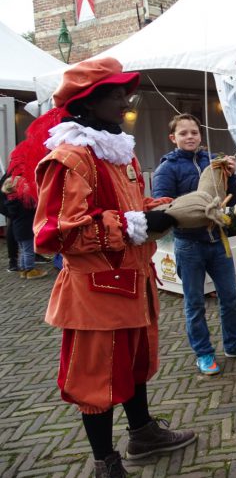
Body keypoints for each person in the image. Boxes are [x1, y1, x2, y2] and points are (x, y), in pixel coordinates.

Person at [32, 57, 196, 476]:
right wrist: (139, 224)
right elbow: (57, 234)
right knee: (96, 380)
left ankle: (142, 433)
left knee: (134, 368)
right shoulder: (70, 159)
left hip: (133, 283)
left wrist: (173, 209)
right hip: (95, 297)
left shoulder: (119, 153)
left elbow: (132, 208)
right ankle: (105, 461)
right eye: (114, 92)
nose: (125, 98)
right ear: (87, 103)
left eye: (125, 89)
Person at [151, 113, 236, 376]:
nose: (190, 137)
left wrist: (232, 175)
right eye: (183, 133)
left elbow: (231, 197)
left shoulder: (213, 162)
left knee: (231, 298)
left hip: (218, 242)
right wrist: (193, 209)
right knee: (194, 303)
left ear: (200, 135)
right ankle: (203, 353)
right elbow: (163, 206)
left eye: (194, 132)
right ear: (173, 138)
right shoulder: (167, 169)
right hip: (189, 245)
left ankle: (234, 345)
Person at [2, 141, 48, 279]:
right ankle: (30, 270)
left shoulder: (11, 200)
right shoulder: (24, 202)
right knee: (27, 250)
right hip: (26, 228)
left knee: (23, 249)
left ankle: (23, 269)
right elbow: (32, 207)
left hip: (18, 229)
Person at [0, 170, 21, 273]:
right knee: (13, 226)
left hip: (10, 200)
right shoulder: (15, 172)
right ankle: (13, 261)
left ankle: (31, 255)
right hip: (9, 202)